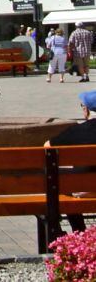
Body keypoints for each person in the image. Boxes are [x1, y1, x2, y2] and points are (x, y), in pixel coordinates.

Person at [44, 90, 96, 232]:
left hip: (84, 190)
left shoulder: (77, 131)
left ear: (86, 110)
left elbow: (46, 147)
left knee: (61, 179)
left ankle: (78, 231)